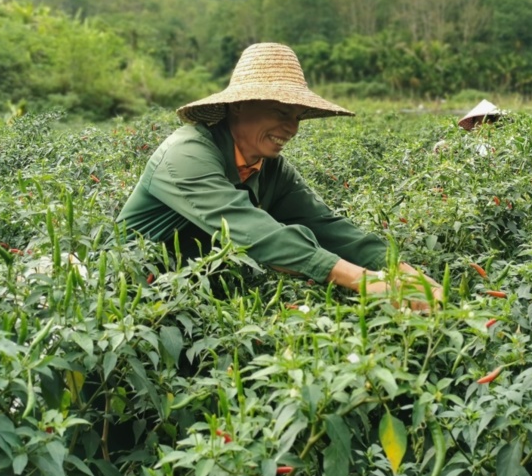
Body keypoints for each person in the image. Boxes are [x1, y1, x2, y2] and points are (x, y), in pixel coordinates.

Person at [117, 42, 441, 308]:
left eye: (297, 115)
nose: (292, 127)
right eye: (280, 110)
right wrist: (366, 282)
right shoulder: (186, 154)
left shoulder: (270, 168)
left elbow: (327, 226)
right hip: (122, 307)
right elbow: (253, 231)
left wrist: (402, 270)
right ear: (239, 106)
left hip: (188, 304)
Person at [433, 99, 504, 155]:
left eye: (485, 122)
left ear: (495, 124)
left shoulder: (503, 144)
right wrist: (442, 146)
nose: (482, 126)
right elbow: (455, 147)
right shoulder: (471, 144)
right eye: (478, 123)